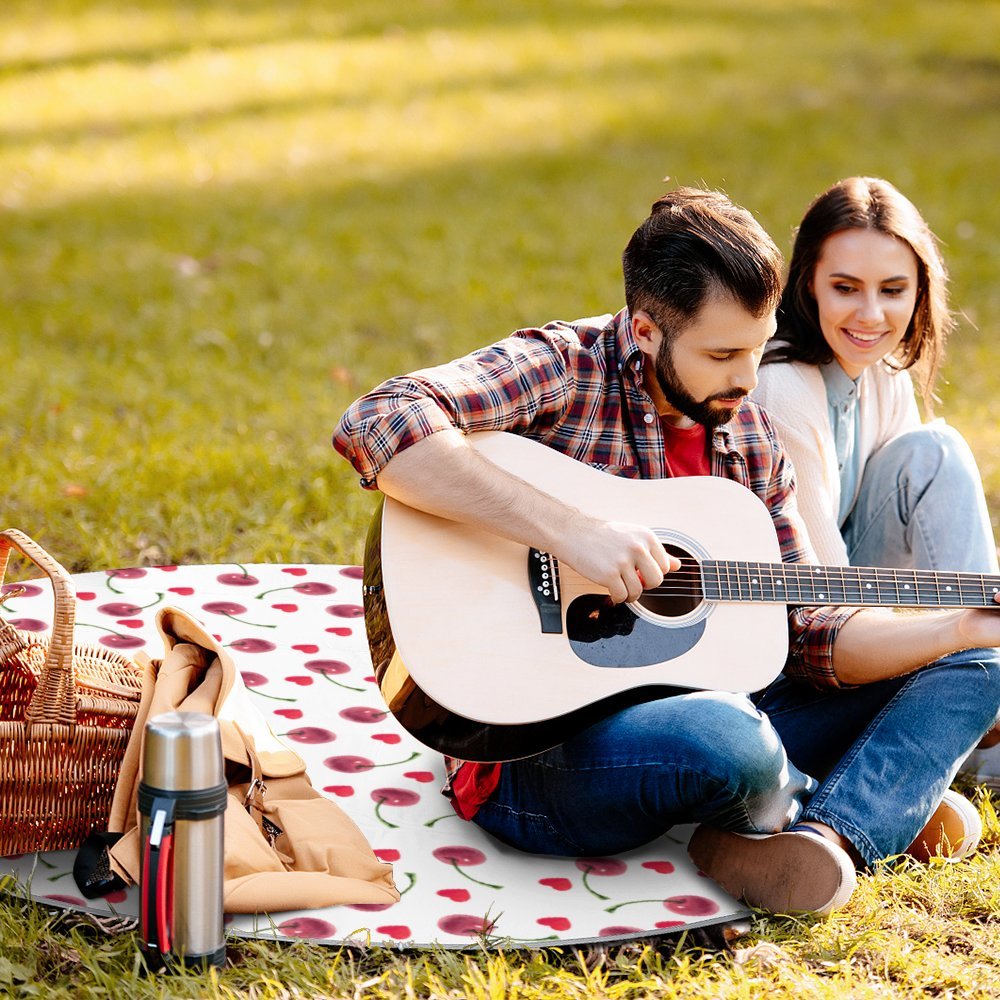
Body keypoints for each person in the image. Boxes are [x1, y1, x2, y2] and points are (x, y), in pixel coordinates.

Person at [333, 187, 1000, 916]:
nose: (748, 380)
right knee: (729, 741)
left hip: (723, 708)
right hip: (534, 754)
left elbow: (809, 629)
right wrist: (569, 530)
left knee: (981, 664)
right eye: (722, 354)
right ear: (646, 330)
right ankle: (855, 796)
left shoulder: (748, 436)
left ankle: (829, 835)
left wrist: (956, 628)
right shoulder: (564, 367)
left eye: (757, 346)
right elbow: (380, 419)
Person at [753, 176, 1000, 789]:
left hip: (863, 614)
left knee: (931, 451)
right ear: (807, 281)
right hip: (797, 650)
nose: (871, 315)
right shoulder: (783, 386)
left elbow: (921, 544)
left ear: (920, 291)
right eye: (845, 288)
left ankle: (978, 698)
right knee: (937, 451)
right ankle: (976, 717)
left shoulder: (882, 370)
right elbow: (824, 603)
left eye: (893, 290)